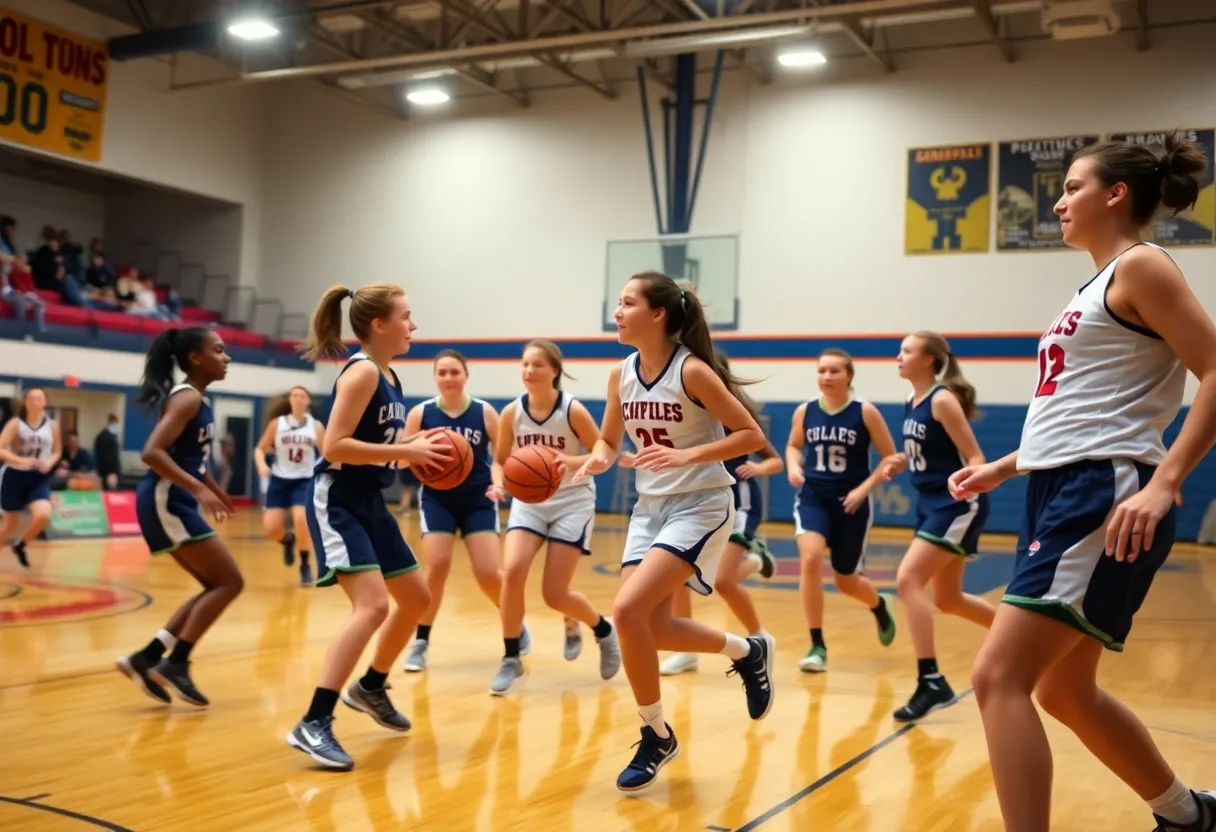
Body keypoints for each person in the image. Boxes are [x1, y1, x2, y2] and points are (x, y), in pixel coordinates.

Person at [952, 134, 1216, 832]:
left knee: (997, 678)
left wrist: (1165, 481)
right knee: (1065, 692)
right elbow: (1081, 405)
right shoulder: (1097, 285)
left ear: (1115, 195)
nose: (1061, 202)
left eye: (1072, 187)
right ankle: (1189, 815)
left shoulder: (1143, 266)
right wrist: (1005, 466)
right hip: (1065, 483)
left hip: (1105, 491)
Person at [573, 272, 774, 793]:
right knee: (651, 629)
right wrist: (589, 460)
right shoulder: (620, 374)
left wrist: (688, 454)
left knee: (625, 611)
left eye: (626, 303)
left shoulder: (693, 372)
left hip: (702, 504)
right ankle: (746, 652)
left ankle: (652, 732)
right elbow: (608, 442)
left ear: (657, 314)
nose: (616, 312)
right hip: (650, 509)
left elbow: (750, 434)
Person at [287, 283, 450, 771]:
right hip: (337, 500)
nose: (413, 324)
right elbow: (334, 446)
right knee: (373, 605)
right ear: (378, 324)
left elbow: (377, 437)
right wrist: (405, 450)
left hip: (370, 501)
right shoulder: (359, 373)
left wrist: (416, 443)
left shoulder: (390, 377)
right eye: (406, 316)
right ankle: (314, 721)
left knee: (418, 600)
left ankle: (372, 685)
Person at [117, 327, 242, 707]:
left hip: (175, 499)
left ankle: (148, 657)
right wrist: (200, 490)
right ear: (195, 358)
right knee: (229, 582)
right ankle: (178, 662)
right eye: (218, 351)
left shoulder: (198, 400)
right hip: (165, 499)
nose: (227, 357)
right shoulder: (186, 400)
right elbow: (153, 452)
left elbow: (189, 459)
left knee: (215, 585)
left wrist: (214, 490)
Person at [489, 340, 620, 695]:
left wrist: (569, 462)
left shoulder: (572, 410)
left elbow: (603, 452)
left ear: (554, 371)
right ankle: (511, 657)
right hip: (529, 502)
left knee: (554, 593)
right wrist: (498, 485)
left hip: (572, 500)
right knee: (512, 573)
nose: (529, 371)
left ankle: (603, 630)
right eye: (525, 364)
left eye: (537, 365)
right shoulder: (511, 413)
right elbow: (500, 460)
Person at [879, 331, 996, 722]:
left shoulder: (942, 400)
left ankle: (930, 679)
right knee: (948, 599)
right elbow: (928, 454)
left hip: (957, 503)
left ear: (929, 359)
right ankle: (1025, 641)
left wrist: (966, 483)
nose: (898, 357)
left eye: (906, 351)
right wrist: (901, 461)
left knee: (907, 579)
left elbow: (975, 453)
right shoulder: (912, 401)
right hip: (930, 503)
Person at [660, 350, 781, 677]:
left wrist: (758, 467)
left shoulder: (733, 414)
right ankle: (685, 653)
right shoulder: (688, 411)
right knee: (676, 578)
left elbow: (775, 460)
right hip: (699, 503)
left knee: (724, 580)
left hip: (740, 503)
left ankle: (760, 636)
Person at [400, 350, 518, 673]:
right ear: (435, 377)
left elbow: (502, 456)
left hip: (478, 498)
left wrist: (499, 483)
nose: (448, 378)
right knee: (436, 566)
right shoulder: (421, 413)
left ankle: (513, 620)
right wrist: (414, 447)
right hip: (438, 498)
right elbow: (399, 459)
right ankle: (421, 641)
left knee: (487, 573)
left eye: (454, 372)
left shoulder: (484, 412)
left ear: (466, 375)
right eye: (442, 373)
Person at [787, 348, 899, 673]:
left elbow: (889, 458)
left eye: (834, 371)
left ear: (849, 376)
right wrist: (794, 466)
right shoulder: (805, 411)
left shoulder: (865, 412)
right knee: (809, 559)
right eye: (821, 370)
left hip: (852, 504)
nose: (826, 377)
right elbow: (794, 445)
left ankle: (879, 605)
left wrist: (864, 489)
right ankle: (817, 645)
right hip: (814, 497)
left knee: (846, 580)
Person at [255, 386, 325, 586]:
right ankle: (287, 540)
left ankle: (304, 564)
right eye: (294, 395)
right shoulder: (278, 424)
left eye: (302, 395)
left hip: (304, 479)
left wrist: (325, 475)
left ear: (308, 401)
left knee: (301, 519)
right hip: (279, 479)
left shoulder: (316, 426)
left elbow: (327, 453)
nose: (297, 398)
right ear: (290, 400)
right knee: (271, 529)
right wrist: (261, 465)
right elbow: (259, 449)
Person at [0, 388, 59, 569]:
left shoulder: (52, 425)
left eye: (39, 398)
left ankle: (21, 545)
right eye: (32, 398)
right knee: (10, 525)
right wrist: (21, 460)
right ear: (25, 402)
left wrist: (50, 461)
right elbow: (1, 449)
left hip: (38, 477)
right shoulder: (16, 424)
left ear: (44, 402)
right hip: (14, 476)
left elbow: (57, 451)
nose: (36, 401)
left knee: (43, 514)